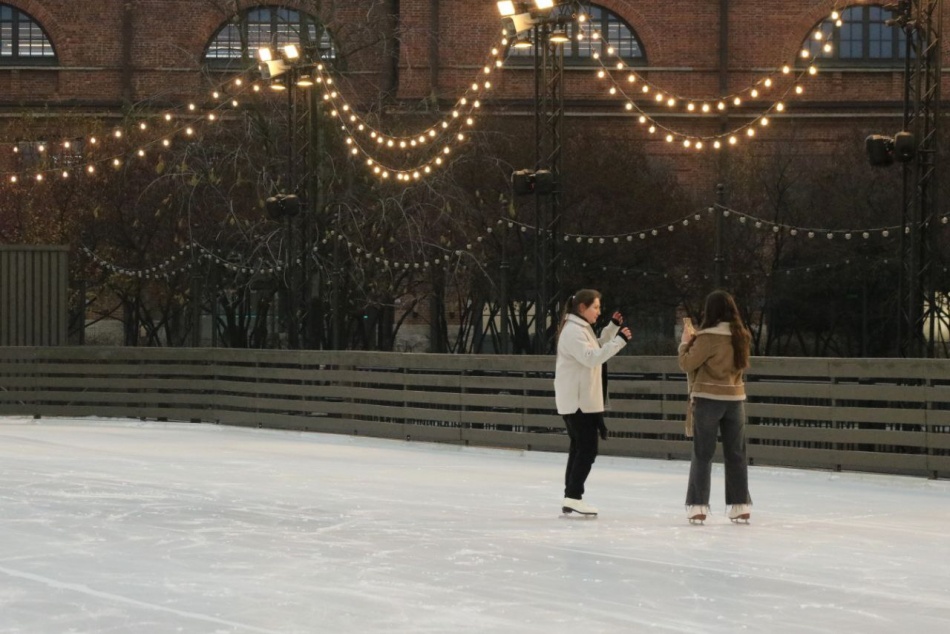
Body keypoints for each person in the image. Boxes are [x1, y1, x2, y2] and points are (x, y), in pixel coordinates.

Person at [554, 289, 632, 516]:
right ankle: (574, 496)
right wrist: (620, 341)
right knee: (586, 450)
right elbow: (592, 358)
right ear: (582, 308)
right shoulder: (573, 332)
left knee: (579, 448)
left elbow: (594, 347)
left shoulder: (579, 328)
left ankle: (571, 495)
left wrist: (612, 329)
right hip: (579, 402)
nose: (599, 312)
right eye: (595, 307)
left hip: (579, 400)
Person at [678, 290, 753, 524]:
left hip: (708, 398)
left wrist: (684, 344)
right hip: (735, 399)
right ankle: (740, 505)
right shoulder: (741, 336)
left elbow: (687, 363)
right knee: (736, 453)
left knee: (703, 452)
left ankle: (698, 506)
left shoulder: (708, 337)